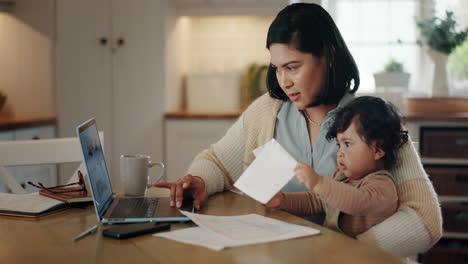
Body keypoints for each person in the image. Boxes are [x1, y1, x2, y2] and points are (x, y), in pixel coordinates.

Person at [154, 3, 442, 257]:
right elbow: (216, 162)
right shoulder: (267, 112)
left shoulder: (374, 119)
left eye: (293, 67)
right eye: (277, 69)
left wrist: (345, 254)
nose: (284, 82)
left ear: (327, 55)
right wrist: (200, 180)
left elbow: (426, 219)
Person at [285, 96, 405, 238]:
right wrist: (283, 201)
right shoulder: (341, 177)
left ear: (378, 150)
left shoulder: (382, 185)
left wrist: (319, 183)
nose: (340, 152)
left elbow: (358, 202)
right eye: (338, 145)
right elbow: (315, 201)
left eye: (347, 144)